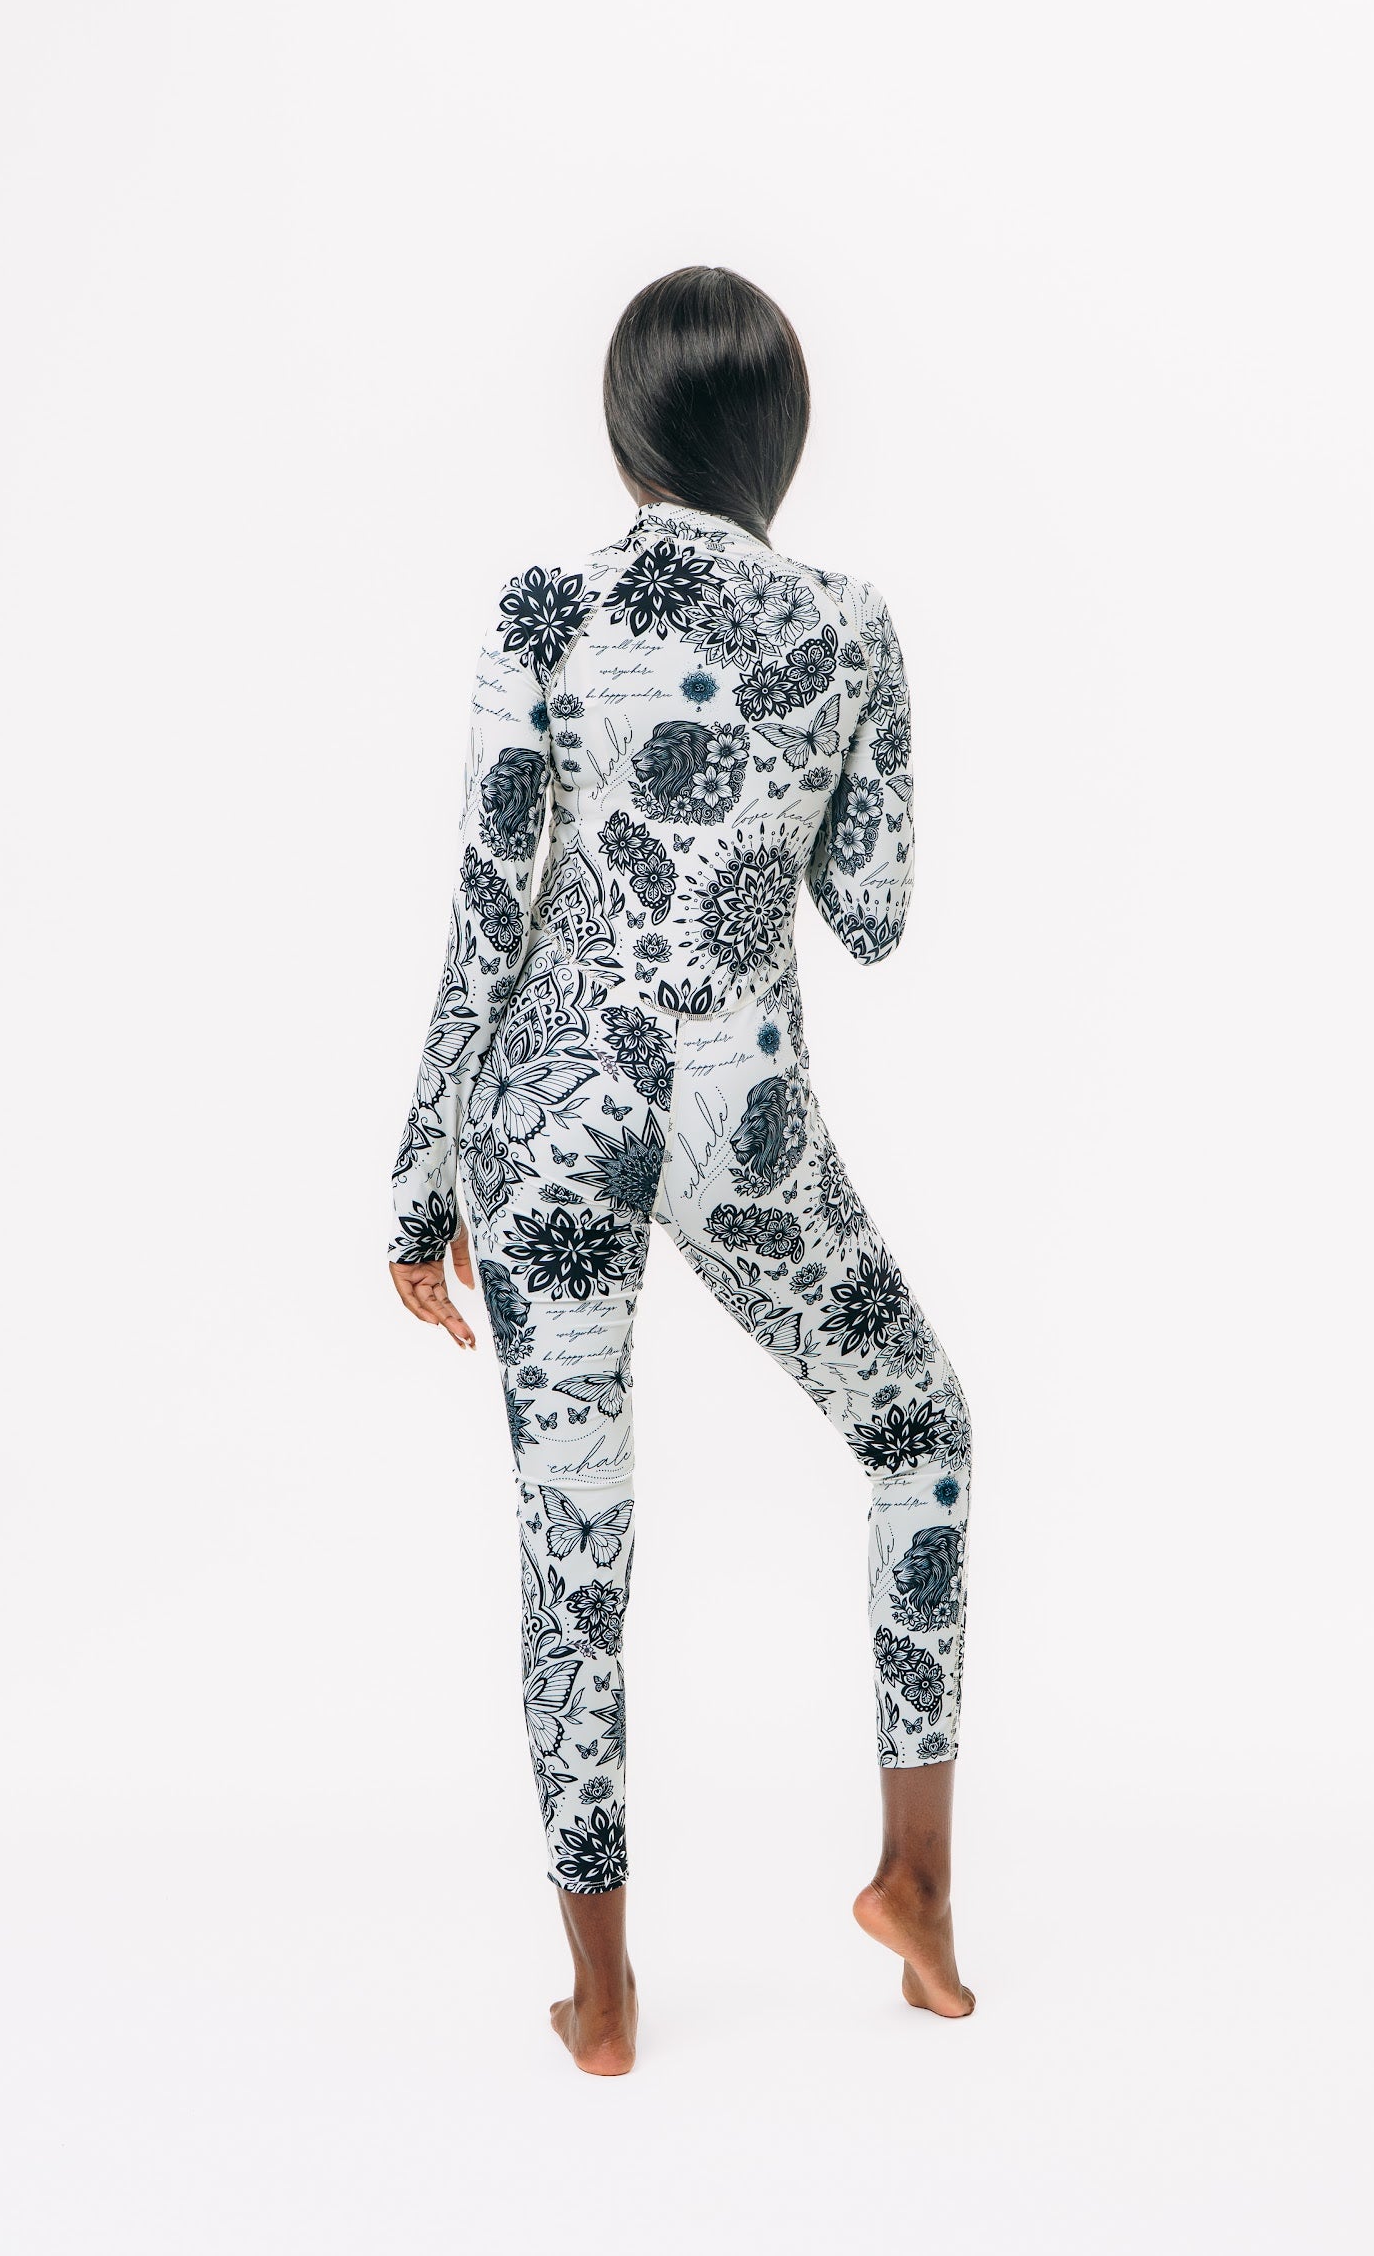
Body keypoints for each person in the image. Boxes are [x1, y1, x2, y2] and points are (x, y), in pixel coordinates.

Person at [388, 266, 974, 2073]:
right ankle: (917, 1889)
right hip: (742, 1120)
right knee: (919, 1434)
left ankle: (606, 1996)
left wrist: (420, 1177)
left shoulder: (543, 609)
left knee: (576, 1538)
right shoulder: (853, 624)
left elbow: (490, 909)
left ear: (626, 431)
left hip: (550, 1114)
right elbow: (869, 914)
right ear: (781, 438)